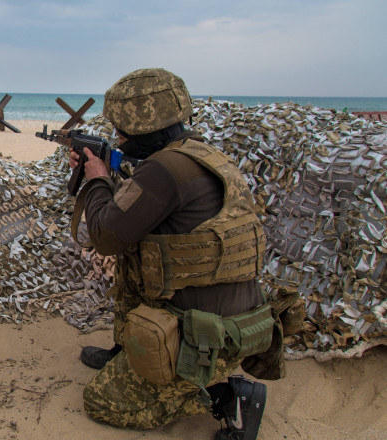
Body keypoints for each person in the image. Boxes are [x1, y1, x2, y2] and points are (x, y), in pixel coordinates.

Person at [68, 68, 281, 440]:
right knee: (139, 257)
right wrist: (113, 174)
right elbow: (143, 212)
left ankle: (225, 395)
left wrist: (98, 178)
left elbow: (105, 236)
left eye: (122, 132)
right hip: (236, 319)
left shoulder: (163, 171)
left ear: (146, 129)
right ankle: (126, 351)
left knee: (101, 402)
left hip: (203, 337)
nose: (118, 137)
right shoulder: (199, 155)